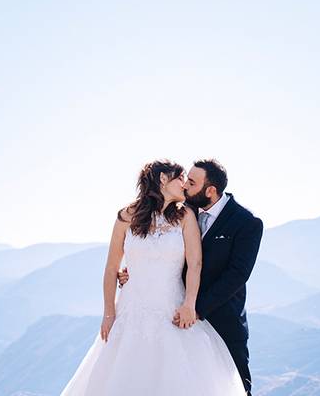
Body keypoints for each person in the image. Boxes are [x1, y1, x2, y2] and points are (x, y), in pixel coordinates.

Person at [59, 160, 248, 396]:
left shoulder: (186, 215)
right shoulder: (126, 216)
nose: (185, 185)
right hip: (130, 309)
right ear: (162, 180)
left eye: (188, 181)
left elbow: (195, 264)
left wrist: (189, 303)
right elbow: (110, 268)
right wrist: (109, 312)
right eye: (181, 179)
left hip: (172, 310)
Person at [119, 159, 264, 395]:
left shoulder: (247, 223)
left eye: (192, 182)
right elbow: (155, 244)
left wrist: (196, 308)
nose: (185, 185)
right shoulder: (182, 210)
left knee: (235, 387)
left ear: (210, 191)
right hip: (175, 312)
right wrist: (133, 272)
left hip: (221, 318)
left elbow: (237, 275)